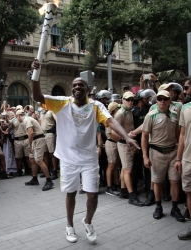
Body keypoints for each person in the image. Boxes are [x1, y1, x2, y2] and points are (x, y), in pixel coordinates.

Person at [31, 59, 139, 244]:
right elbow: (38, 96)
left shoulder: (96, 106)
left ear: (87, 89)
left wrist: (126, 137)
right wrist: (36, 74)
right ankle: (70, 225)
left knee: (92, 194)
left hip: (89, 158)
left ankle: (87, 221)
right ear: (71, 90)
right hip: (68, 158)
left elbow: (111, 122)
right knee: (71, 193)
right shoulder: (62, 103)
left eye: (81, 85)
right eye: (74, 86)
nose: (77, 88)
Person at [142, 90, 184, 221]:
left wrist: (179, 155)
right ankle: (158, 206)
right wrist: (145, 156)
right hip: (156, 153)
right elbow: (144, 136)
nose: (162, 101)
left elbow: (178, 135)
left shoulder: (174, 115)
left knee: (175, 182)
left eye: (165, 99)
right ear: (156, 100)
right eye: (159, 99)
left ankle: (175, 208)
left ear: (169, 101)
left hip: (173, 152)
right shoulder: (151, 115)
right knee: (157, 182)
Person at [115, 91, 144, 206]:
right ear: (122, 100)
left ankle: (123, 191)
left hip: (128, 143)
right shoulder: (120, 113)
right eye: (128, 100)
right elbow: (113, 132)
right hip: (123, 143)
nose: (130, 102)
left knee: (125, 168)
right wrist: (127, 136)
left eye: (132, 100)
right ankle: (132, 196)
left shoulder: (129, 111)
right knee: (128, 170)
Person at [16, 110, 54, 191]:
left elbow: (31, 133)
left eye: (16, 117)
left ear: (19, 116)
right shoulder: (27, 119)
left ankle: (49, 181)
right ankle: (34, 178)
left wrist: (29, 145)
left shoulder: (26, 119)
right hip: (35, 140)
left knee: (39, 160)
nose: (17, 119)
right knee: (32, 159)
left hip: (39, 139)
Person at [175, 96, 191, 240]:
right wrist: (179, 159)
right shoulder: (185, 108)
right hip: (188, 159)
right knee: (189, 193)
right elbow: (182, 135)